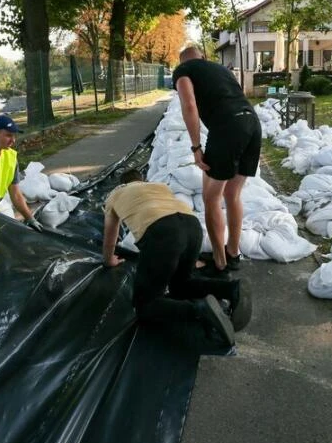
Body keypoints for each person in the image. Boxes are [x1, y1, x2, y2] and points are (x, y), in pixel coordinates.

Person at [102, 168, 253, 347]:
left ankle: (199, 310)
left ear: (122, 184)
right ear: (142, 180)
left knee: (145, 306)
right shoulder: (158, 187)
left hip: (162, 232)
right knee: (181, 285)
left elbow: (110, 235)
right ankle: (231, 289)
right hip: (192, 226)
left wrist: (109, 259)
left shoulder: (115, 195)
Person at [172, 46, 262, 275]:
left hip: (227, 127)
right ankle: (232, 252)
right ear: (204, 57)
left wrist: (196, 147)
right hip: (252, 123)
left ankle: (220, 262)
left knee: (210, 197)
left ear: (182, 61)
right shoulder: (221, 69)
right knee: (232, 194)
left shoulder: (183, 71)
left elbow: (189, 105)